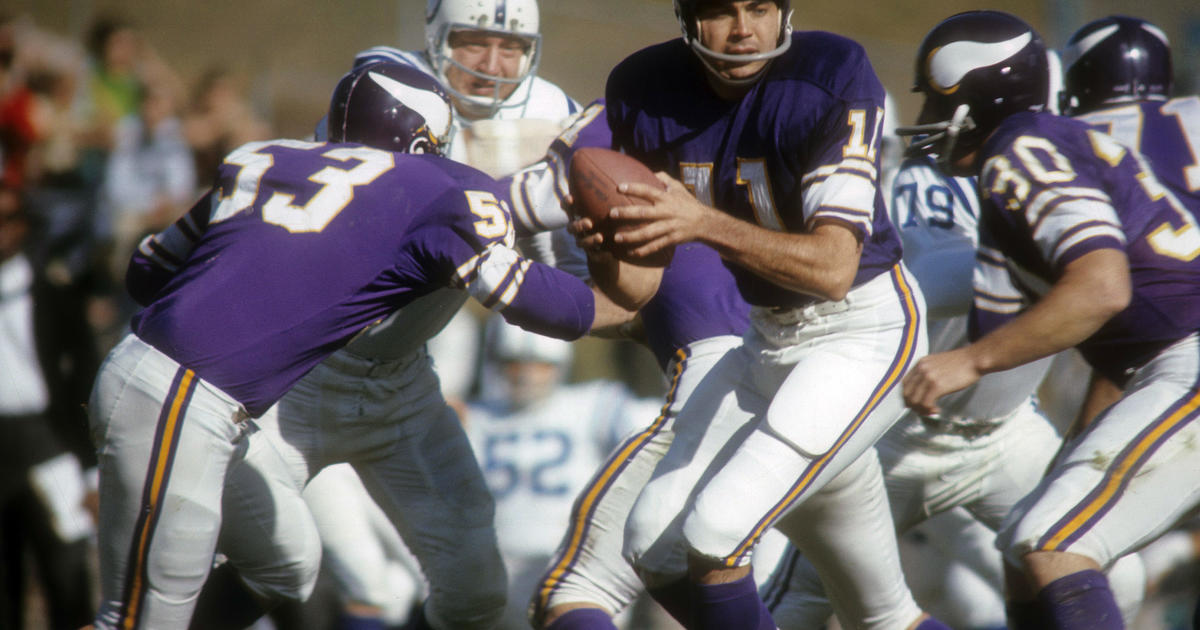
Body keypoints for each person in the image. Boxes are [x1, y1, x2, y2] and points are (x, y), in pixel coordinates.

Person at [88, 61, 658, 630]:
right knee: (138, 622)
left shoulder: (260, 158)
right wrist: (622, 306)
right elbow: (541, 302)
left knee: (287, 566)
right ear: (426, 141)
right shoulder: (443, 187)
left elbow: (146, 270)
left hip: (185, 384)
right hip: (189, 396)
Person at [579, 1, 931, 628]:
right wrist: (605, 249)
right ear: (686, 18)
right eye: (721, 11)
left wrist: (705, 222)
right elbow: (635, 290)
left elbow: (832, 269)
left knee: (717, 532)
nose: (744, 31)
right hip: (764, 340)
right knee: (652, 542)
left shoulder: (827, 74)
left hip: (862, 332)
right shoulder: (644, 88)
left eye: (760, 7)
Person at [759, 141, 1146, 629]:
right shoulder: (928, 189)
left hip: (1007, 434)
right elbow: (936, 280)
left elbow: (1114, 306)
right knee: (798, 600)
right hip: (896, 438)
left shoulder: (1063, 181)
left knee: (1115, 574)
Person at [898, 10, 1200, 630]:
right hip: (1165, 365)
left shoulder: (1020, 149)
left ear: (979, 97)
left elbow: (1101, 288)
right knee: (1020, 541)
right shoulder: (1037, 145)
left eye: (938, 99)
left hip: (1187, 360)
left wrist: (969, 360)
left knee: (1052, 542)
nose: (929, 116)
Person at [464, 315, 661, 629]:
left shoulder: (593, 403)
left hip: (576, 562)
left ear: (559, 364)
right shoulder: (474, 416)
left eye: (540, 364)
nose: (527, 374)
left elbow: (653, 433)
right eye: (514, 362)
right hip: (497, 571)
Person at [0, 182, 99, 629]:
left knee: (67, 578)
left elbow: (84, 380)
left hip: (50, 445)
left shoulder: (54, 294)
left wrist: (92, 472)